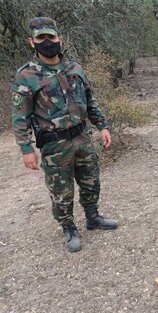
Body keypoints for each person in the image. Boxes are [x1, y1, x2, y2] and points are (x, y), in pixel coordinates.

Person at [11, 17, 118, 252]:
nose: (47, 42)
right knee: (61, 191)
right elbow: (20, 117)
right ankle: (68, 228)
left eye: (51, 36)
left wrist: (103, 126)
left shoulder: (75, 68)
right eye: (41, 38)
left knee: (91, 181)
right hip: (54, 145)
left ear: (59, 38)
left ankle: (93, 217)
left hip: (82, 138)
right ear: (32, 42)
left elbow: (90, 101)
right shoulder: (27, 75)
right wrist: (26, 149)